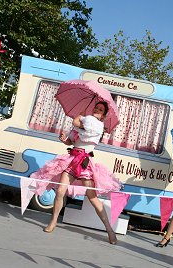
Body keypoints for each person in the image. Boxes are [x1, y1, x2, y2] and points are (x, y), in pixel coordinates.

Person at [31, 101, 121, 244]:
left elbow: (76, 122)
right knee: (60, 191)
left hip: (84, 162)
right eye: (96, 108)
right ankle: (53, 221)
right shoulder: (86, 122)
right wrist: (64, 140)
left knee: (92, 197)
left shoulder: (96, 124)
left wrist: (80, 114)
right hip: (72, 159)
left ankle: (109, 230)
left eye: (100, 110)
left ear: (103, 115)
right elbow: (72, 141)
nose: (97, 110)